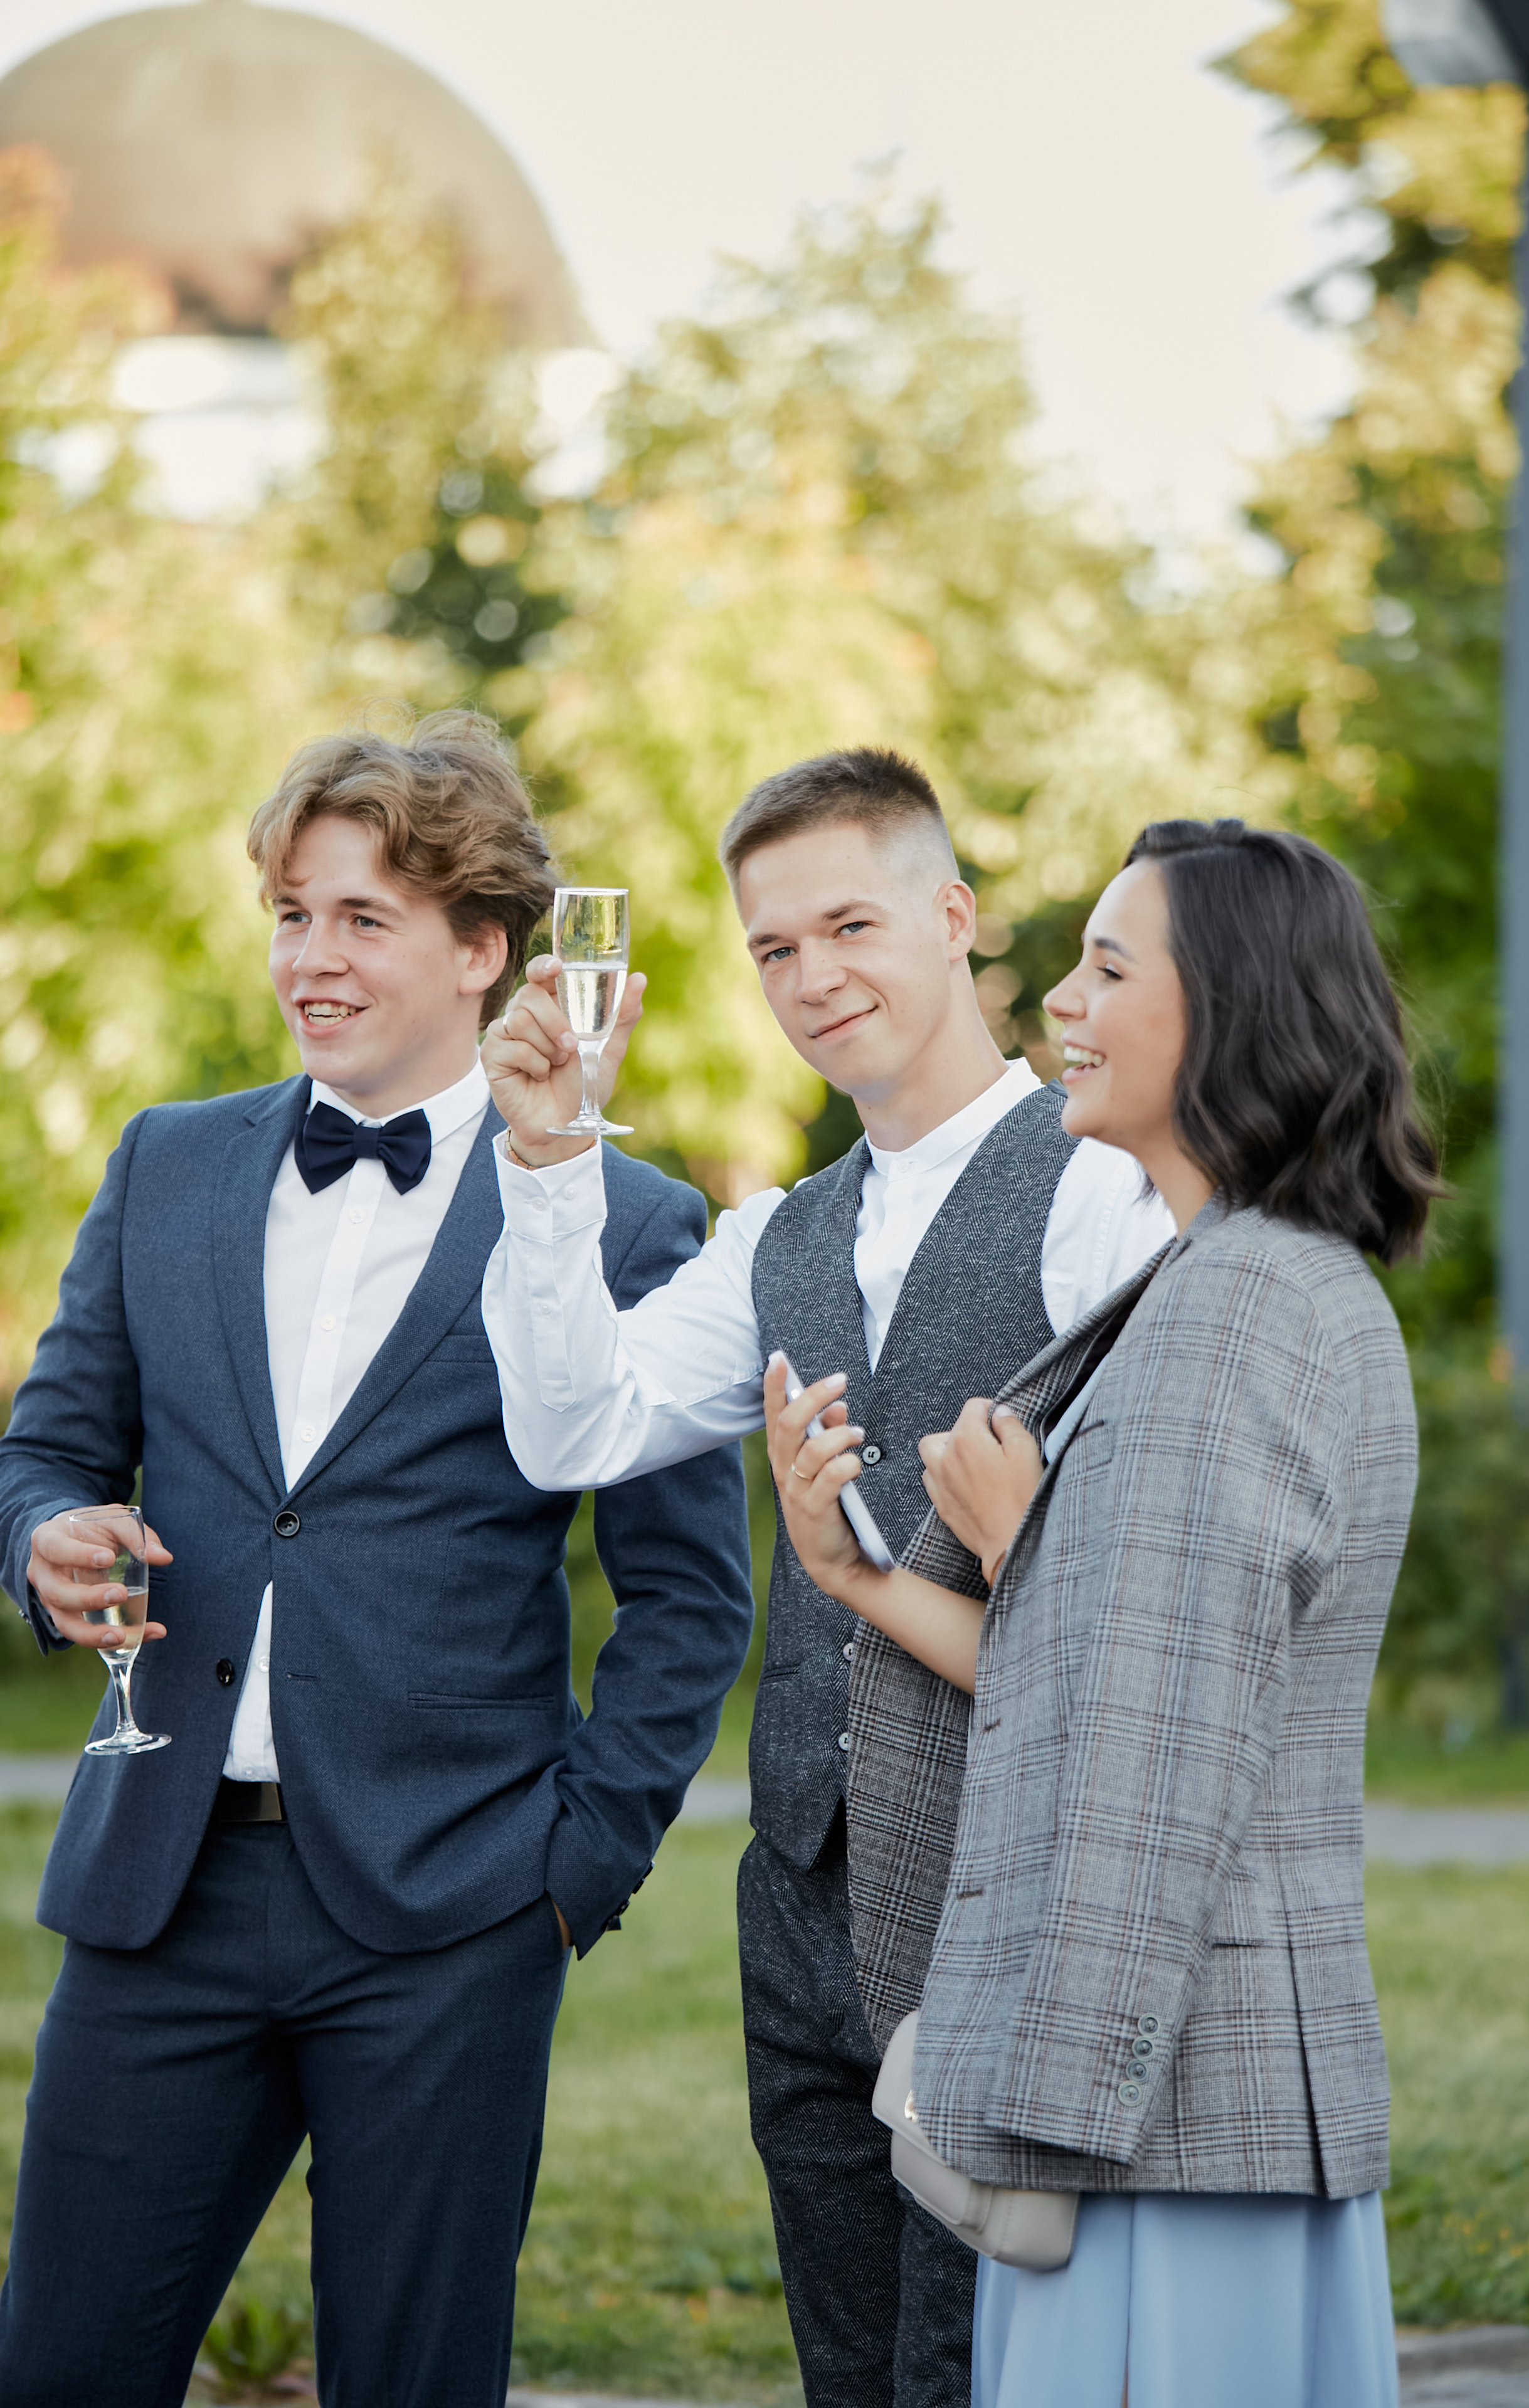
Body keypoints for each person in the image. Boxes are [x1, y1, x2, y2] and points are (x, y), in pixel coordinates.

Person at [0, 712, 754, 2408]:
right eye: (289, 914)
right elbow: (46, 1445)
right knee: (57, 2371)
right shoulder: (165, 1163)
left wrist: (569, 1876)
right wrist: (41, 1534)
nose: (310, 959)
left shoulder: (626, 1223)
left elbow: (692, 1600)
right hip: (158, 1895)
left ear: (483, 950)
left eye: (361, 919)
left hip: (452, 1916)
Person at [478, 747, 1172, 2408]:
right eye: (772, 948)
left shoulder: (1104, 1199)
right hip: (799, 1908)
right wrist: (555, 1166)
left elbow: (1141, 1593)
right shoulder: (771, 1237)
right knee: (853, 2374)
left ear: (953, 918)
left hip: (1011, 1904)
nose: (810, 978)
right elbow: (575, 1430)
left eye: (848, 925)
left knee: (984, 2369)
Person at [766, 816, 1439, 2408]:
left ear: (1230, 1013)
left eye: (1107, 965)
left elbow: (1146, 1764)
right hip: (1179, 2108)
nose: (1057, 997)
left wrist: (1032, 2125)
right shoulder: (1240, 1280)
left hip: (1162, 2127)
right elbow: (1103, 1671)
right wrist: (862, 1579)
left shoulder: (1232, 1313)